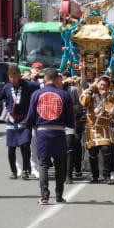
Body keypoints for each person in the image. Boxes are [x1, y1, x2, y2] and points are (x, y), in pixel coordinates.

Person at [26, 68, 75, 205]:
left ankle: (44, 196)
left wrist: (30, 126)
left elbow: (30, 115)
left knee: (43, 164)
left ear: (45, 79)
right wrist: (69, 125)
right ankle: (59, 196)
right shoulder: (64, 95)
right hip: (59, 131)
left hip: (42, 131)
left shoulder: (36, 94)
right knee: (59, 164)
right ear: (57, 79)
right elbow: (70, 118)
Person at [80, 76, 114, 184]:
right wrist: (91, 91)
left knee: (106, 149)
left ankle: (106, 174)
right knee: (93, 152)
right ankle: (95, 175)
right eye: (101, 84)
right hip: (91, 128)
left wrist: (105, 99)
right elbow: (83, 103)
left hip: (104, 127)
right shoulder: (88, 92)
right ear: (96, 84)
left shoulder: (111, 96)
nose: (103, 87)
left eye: (105, 86)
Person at [0, 66, 40, 180]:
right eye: (10, 77)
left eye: (15, 76)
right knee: (11, 147)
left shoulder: (28, 85)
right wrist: (6, 107)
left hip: (24, 119)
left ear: (19, 75)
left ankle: (25, 170)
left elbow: (41, 85)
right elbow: (1, 97)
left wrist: (35, 77)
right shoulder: (7, 87)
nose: (12, 79)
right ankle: (13, 171)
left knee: (25, 146)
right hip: (12, 120)